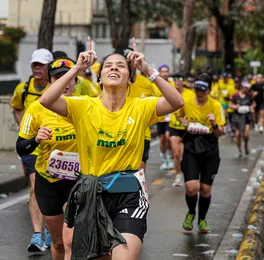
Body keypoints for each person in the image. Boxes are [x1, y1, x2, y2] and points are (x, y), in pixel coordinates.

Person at [40, 37, 184, 259]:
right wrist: (77, 68)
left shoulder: (141, 107)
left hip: (129, 194)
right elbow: (47, 100)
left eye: (121, 66)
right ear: (99, 77)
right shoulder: (83, 106)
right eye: (108, 65)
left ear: (129, 79)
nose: (114, 68)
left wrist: (147, 69)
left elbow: (177, 102)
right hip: (92, 195)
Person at [16, 57, 78, 259]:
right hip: (48, 180)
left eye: (68, 77)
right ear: (51, 81)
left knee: (71, 239)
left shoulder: (85, 105)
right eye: (58, 77)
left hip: (77, 181)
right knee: (59, 242)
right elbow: (21, 148)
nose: (65, 82)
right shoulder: (36, 108)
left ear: (75, 80)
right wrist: (36, 139)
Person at [10, 48, 53, 252]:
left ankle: (54, 233)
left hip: (55, 147)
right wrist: (24, 129)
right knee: (35, 187)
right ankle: (37, 235)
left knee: (53, 190)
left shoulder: (57, 88)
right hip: (32, 146)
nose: (37, 69)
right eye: (34, 65)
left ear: (48, 68)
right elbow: (16, 108)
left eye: (41, 65)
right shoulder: (23, 88)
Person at [176, 73, 225, 233]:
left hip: (210, 148)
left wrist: (214, 124)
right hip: (191, 145)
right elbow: (178, 116)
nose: (199, 93)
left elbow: (220, 132)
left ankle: (202, 219)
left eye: (203, 90)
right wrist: (182, 122)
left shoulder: (216, 106)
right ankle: (191, 213)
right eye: (197, 89)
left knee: (205, 189)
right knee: (191, 187)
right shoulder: (186, 102)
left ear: (209, 90)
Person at [169, 73, 195, 187]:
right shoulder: (169, 91)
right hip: (174, 126)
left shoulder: (190, 94)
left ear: (183, 81)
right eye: (175, 79)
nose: (178, 82)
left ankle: (185, 172)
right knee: (176, 152)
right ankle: (178, 175)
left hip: (186, 128)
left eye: (180, 79)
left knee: (183, 153)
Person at [153, 64, 174, 170]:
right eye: (163, 71)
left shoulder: (172, 84)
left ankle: (170, 156)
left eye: (166, 71)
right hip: (160, 116)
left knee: (168, 137)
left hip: (171, 117)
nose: (165, 73)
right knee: (162, 139)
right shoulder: (155, 85)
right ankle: (164, 158)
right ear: (160, 73)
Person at [229, 81, 255, 157]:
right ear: (242, 87)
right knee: (237, 135)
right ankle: (240, 150)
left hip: (247, 116)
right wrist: (235, 106)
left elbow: (253, 103)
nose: (248, 89)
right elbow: (230, 104)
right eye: (246, 87)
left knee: (245, 135)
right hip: (237, 117)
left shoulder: (249, 95)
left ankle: (246, 145)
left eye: (248, 87)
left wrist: (252, 107)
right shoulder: (235, 95)